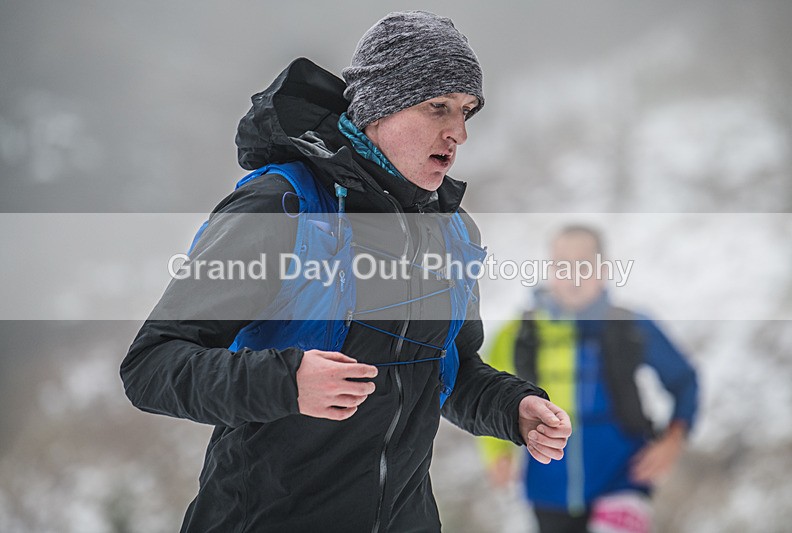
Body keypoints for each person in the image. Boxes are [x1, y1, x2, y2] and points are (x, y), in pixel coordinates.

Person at [120, 11, 571, 533]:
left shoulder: (449, 232)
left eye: (466, 111)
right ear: (380, 106)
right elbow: (151, 366)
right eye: (438, 107)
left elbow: (449, 372)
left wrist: (512, 408)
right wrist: (287, 382)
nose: (459, 132)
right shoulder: (283, 207)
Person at [479, 225, 698, 533]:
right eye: (562, 265)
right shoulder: (518, 333)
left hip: (622, 479)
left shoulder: (630, 326)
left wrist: (672, 440)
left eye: (583, 264)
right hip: (547, 487)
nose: (573, 275)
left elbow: (684, 380)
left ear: (603, 270)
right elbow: (486, 390)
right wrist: (496, 453)